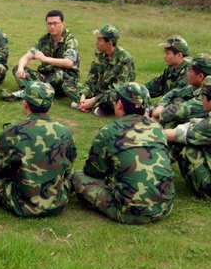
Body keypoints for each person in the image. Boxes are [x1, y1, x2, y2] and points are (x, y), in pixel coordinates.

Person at [71, 83, 175, 224]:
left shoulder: (109, 131)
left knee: (78, 177)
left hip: (128, 211)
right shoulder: (157, 128)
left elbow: (93, 172)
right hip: (164, 206)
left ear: (119, 104)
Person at [0, 81, 77, 217]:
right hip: (56, 201)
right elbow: (68, 169)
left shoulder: (12, 131)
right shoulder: (66, 133)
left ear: (25, 103)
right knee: (76, 174)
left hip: (19, 201)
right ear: (51, 105)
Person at [2, 10, 79, 100]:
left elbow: (68, 63)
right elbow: (27, 56)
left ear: (63, 24)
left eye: (55, 23)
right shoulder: (44, 39)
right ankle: (34, 90)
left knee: (60, 75)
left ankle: (31, 90)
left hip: (65, 78)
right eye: (49, 24)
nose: (52, 27)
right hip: (46, 76)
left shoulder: (70, 40)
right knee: (17, 68)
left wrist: (45, 59)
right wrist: (20, 68)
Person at [64, 24, 135, 116]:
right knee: (67, 84)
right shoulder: (99, 54)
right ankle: (87, 104)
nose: (96, 42)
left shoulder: (125, 59)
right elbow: (91, 80)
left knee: (114, 97)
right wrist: (83, 96)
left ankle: (92, 105)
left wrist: (94, 100)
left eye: (99, 40)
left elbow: (119, 89)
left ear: (109, 44)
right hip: (97, 92)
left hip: (112, 94)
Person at [152, 53, 211, 127]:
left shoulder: (208, 96)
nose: (187, 73)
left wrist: (160, 112)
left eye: (190, 71)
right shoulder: (195, 87)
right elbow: (174, 93)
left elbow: (178, 111)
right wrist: (160, 106)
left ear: (200, 77)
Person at [144, 35, 190, 100]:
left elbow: (175, 99)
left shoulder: (189, 73)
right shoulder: (171, 69)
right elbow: (154, 86)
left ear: (179, 55)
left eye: (168, 53)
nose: (164, 56)